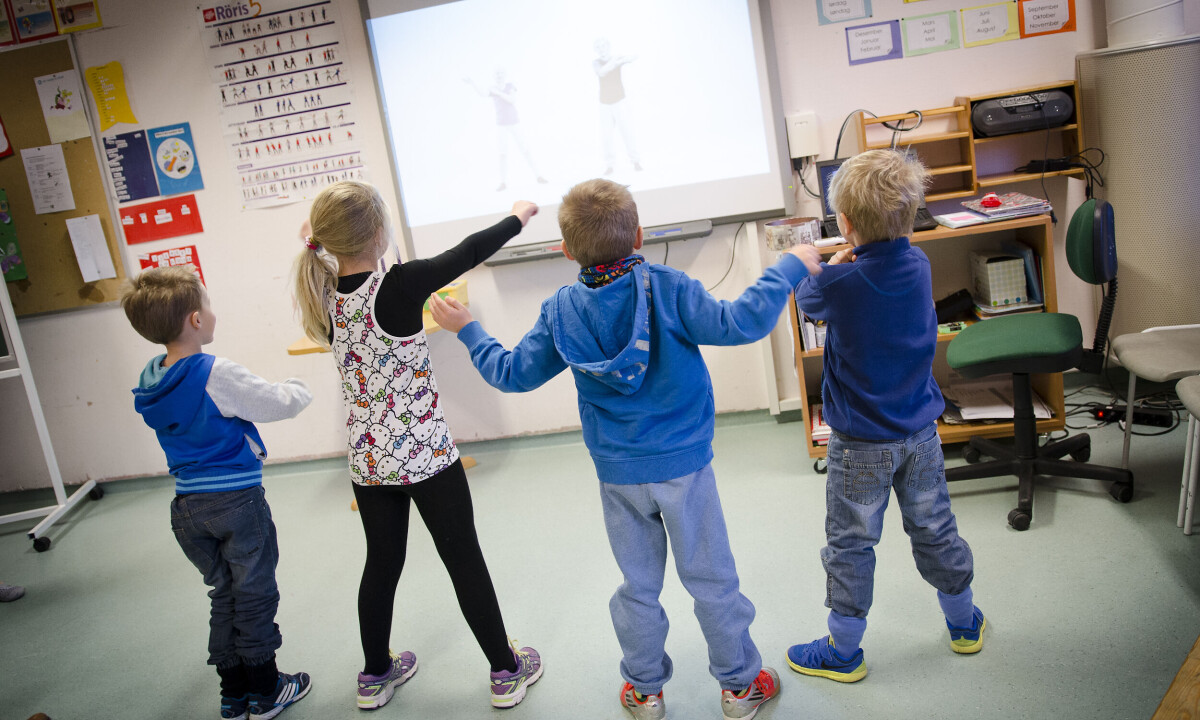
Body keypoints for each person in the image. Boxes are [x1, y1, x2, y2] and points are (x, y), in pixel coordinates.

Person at [429, 178, 823, 720]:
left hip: (617, 473)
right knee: (711, 578)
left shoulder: (560, 310)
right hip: (684, 465)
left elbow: (512, 374)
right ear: (638, 235)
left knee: (637, 587)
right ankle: (738, 686)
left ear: (565, 250)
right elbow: (742, 322)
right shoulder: (670, 287)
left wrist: (469, 328)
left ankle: (644, 691)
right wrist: (788, 266)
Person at [291, 181, 543, 711]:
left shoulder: (324, 293)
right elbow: (468, 252)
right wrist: (518, 218)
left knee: (381, 565)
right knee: (464, 560)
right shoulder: (399, 286)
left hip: (371, 462)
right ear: (380, 234)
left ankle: (375, 674)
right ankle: (505, 670)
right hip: (427, 457)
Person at [785, 149, 984, 684]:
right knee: (934, 526)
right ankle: (964, 624)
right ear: (911, 213)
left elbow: (807, 298)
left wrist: (833, 262)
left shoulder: (838, 282)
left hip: (858, 443)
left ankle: (845, 651)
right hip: (921, 432)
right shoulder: (918, 263)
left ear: (844, 224)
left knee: (851, 543)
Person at [122, 266, 314, 720]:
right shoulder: (213, 372)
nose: (212, 312)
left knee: (223, 594)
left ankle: (234, 695)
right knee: (255, 593)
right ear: (195, 320)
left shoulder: (152, 380)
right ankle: (267, 691)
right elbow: (275, 403)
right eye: (206, 305)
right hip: (237, 502)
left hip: (187, 508)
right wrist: (297, 387)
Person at [464, 68, 548, 191]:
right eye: (497, 73)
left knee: (525, 150)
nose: (499, 75)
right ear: (494, 76)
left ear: (505, 75)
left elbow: (512, 99)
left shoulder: (510, 86)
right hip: (501, 125)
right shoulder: (492, 88)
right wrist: (472, 83)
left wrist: (498, 93)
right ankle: (503, 182)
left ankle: (539, 176)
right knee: (502, 154)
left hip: (515, 123)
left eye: (501, 73)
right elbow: (483, 93)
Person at [592, 38, 641, 175]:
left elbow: (633, 57)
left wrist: (621, 60)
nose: (601, 50)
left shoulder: (616, 59)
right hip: (605, 104)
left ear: (608, 47)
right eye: (598, 47)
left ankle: (635, 161)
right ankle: (610, 165)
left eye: (603, 46)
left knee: (627, 132)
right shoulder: (596, 63)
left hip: (620, 101)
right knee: (607, 136)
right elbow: (601, 72)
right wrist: (615, 62)